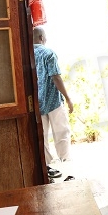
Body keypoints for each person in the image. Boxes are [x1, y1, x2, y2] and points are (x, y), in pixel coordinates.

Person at [33, 27, 74, 181]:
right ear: (42, 37)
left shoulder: (28, 54)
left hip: (36, 102)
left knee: (42, 135)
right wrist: (68, 98)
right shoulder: (48, 53)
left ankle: (47, 167)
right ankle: (66, 162)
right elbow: (56, 77)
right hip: (53, 100)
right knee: (62, 132)